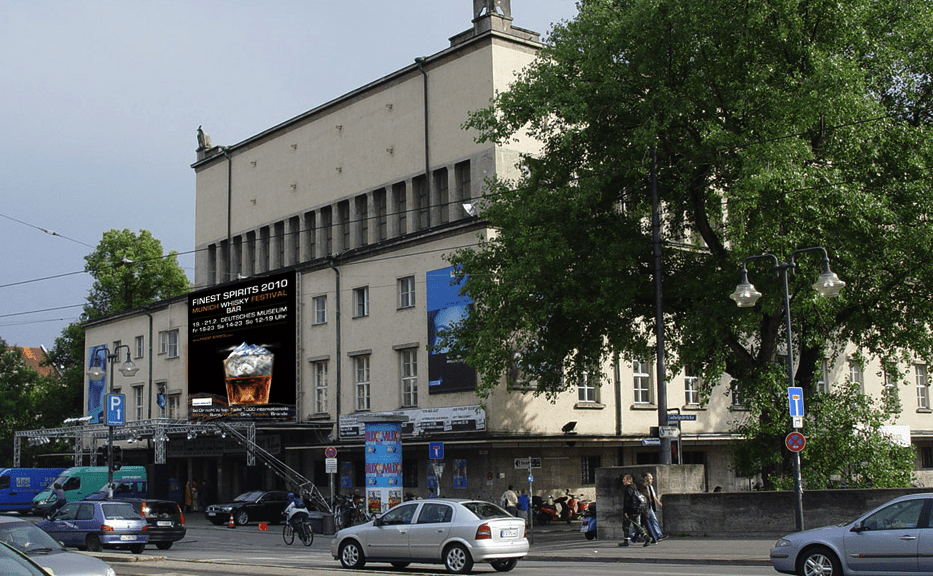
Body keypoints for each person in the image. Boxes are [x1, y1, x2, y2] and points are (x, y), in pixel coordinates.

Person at [620, 474, 652, 546]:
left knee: (626, 526)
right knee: (637, 526)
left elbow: (627, 502)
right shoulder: (635, 488)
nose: (623, 481)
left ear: (629, 480)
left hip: (630, 511)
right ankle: (645, 537)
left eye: (624, 480)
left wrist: (625, 512)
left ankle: (627, 540)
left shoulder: (628, 489)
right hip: (637, 510)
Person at [643, 472, 666, 541]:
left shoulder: (650, 486)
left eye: (652, 478)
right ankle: (658, 534)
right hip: (646, 506)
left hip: (650, 505)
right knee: (650, 520)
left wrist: (658, 502)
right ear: (645, 478)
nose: (651, 480)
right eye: (650, 478)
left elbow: (653, 496)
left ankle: (657, 534)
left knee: (650, 521)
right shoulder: (644, 486)